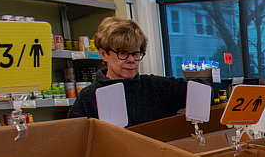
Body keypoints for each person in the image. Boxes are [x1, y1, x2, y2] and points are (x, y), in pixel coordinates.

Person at [68, 17, 205, 127]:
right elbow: (73, 140)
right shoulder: (88, 98)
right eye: (123, 53)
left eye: (135, 53)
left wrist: (194, 109)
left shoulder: (158, 87)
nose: (131, 60)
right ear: (104, 54)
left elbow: (203, 89)